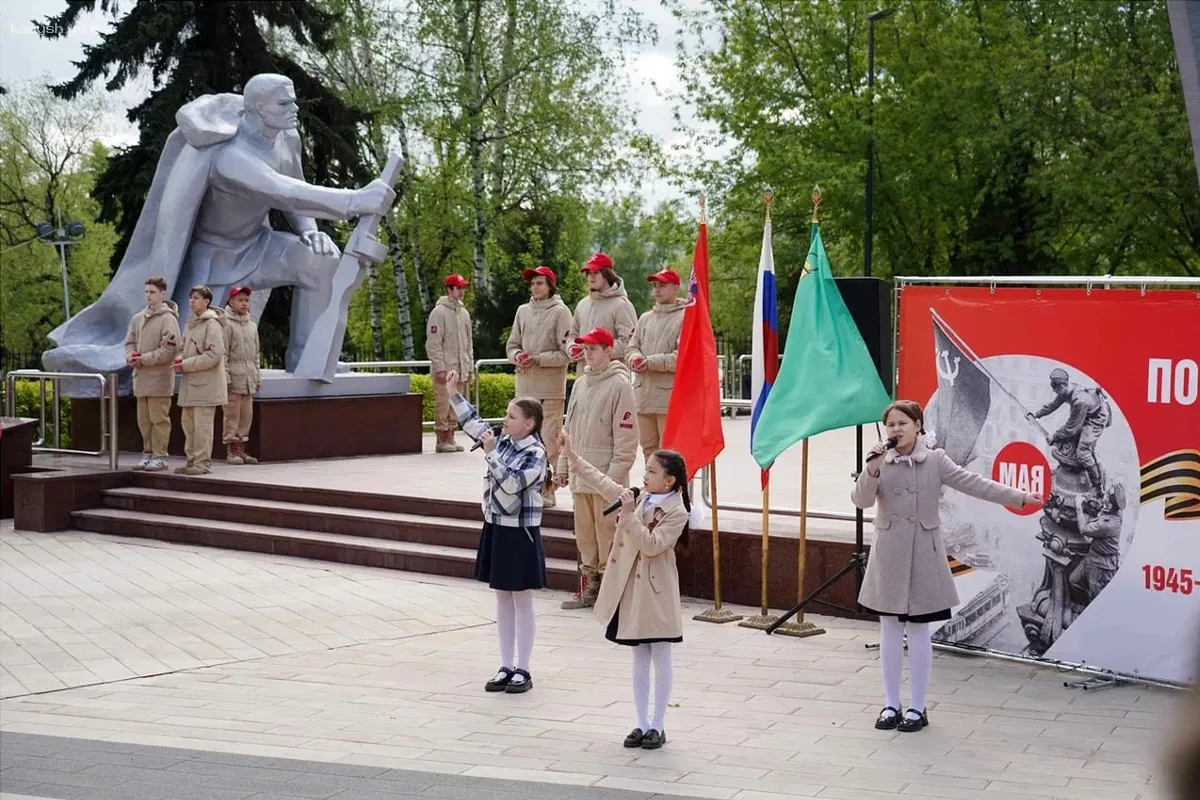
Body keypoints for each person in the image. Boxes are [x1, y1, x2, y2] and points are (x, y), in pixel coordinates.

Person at [853, 399, 1042, 733]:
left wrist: (1018, 497)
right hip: (889, 554)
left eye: (903, 423)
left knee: (919, 629)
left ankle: (917, 707)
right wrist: (872, 469)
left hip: (925, 552)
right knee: (890, 629)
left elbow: (975, 483)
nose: (896, 430)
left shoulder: (935, 460)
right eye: (891, 425)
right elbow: (861, 500)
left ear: (918, 426)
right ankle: (890, 704)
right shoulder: (880, 461)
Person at [560, 429, 701, 750]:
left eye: (652, 471)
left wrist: (627, 517)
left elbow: (653, 545)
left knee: (660, 653)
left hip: (657, 591)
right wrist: (573, 457)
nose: (645, 475)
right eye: (646, 469)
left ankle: (658, 725)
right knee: (639, 654)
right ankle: (640, 723)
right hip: (632, 589)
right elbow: (604, 484)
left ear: (670, 481)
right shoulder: (641, 497)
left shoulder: (678, 511)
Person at [442, 370, 549, 695]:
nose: (505, 420)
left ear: (529, 423)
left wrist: (491, 455)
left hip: (521, 532)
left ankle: (524, 668)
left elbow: (514, 483)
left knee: (522, 599)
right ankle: (505, 664)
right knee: (502, 596)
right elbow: (473, 423)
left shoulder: (536, 453)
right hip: (496, 527)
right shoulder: (502, 440)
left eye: (512, 416)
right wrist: (453, 394)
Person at [555, 327, 638, 610]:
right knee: (586, 534)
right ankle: (590, 585)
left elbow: (627, 440)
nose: (587, 353)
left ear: (608, 351)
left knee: (607, 534)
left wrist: (612, 482)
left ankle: (611, 591)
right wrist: (563, 465)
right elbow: (569, 428)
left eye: (593, 348)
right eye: (585, 348)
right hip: (581, 475)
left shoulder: (620, 385)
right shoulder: (580, 382)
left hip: (605, 475)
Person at [506, 266, 573, 506]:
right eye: (533, 283)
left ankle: (548, 490)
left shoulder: (561, 312)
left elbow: (566, 354)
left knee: (549, 441)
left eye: (540, 283)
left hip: (549, 389)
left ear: (551, 286)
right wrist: (517, 356)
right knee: (521, 439)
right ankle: (524, 488)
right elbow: (512, 343)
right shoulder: (522, 311)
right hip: (524, 386)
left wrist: (538, 358)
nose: (535, 287)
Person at [626, 268, 685, 460]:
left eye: (663, 285)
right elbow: (631, 347)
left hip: (668, 399)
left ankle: (670, 490)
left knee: (668, 453)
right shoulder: (645, 318)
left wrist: (650, 362)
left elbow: (682, 357)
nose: (657, 290)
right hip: (643, 396)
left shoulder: (685, 317)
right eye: (654, 286)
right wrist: (634, 358)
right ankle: (653, 488)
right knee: (648, 451)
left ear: (676, 288)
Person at [124, 277, 180, 472]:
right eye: (146, 292)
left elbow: (169, 350)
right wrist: (130, 356)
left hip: (159, 378)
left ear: (163, 294)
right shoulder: (138, 318)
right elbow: (129, 342)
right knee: (144, 420)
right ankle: (147, 453)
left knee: (159, 419)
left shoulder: (168, 318)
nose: (148, 296)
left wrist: (144, 359)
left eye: (153, 292)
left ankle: (160, 455)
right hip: (141, 378)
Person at [173, 285, 228, 476]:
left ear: (206, 302)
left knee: (203, 427)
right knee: (189, 425)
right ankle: (192, 461)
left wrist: (186, 364)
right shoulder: (192, 323)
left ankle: (202, 463)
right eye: (190, 297)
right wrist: (180, 358)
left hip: (206, 386)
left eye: (196, 298)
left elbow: (214, 355)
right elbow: (184, 349)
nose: (191, 301)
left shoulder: (211, 324)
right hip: (190, 385)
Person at [1027, 368, 1112, 492]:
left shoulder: (1079, 401)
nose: (1055, 392)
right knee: (1073, 443)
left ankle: (1096, 485)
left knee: (1083, 452)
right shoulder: (1066, 391)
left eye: (1056, 390)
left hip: (1096, 419)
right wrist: (1036, 415)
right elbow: (1053, 405)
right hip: (1087, 413)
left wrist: (1054, 437)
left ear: (1062, 386)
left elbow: (1071, 429)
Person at [426, 274, 475, 453]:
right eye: (458, 288)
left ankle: (452, 436)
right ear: (449, 289)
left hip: (460, 368)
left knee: (456, 403)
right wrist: (439, 367)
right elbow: (433, 343)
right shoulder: (438, 313)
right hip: (446, 368)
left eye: (463, 288)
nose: (461, 291)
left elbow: (469, 343)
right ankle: (441, 438)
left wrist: (469, 367)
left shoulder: (464, 313)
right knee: (443, 403)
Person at [567, 253, 638, 362]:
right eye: (589, 273)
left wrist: (596, 352)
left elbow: (628, 342)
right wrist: (572, 347)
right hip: (584, 373)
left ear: (607, 274)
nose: (591, 276)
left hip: (612, 373)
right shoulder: (582, 304)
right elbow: (572, 336)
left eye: (596, 272)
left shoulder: (622, 305)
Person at [222, 286, 261, 465]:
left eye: (246, 300)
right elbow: (223, 354)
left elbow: (256, 355)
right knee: (232, 415)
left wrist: (257, 376)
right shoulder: (226, 324)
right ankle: (232, 449)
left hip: (248, 378)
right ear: (231, 302)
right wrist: (227, 377)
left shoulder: (252, 325)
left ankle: (243, 448)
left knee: (246, 415)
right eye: (240, 300)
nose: (244, 303)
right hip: (234, 378)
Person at [1071, 485, 1124, 604]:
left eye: (1106, 496)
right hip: (1092, 557)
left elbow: (1084, 529)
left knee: (1096, 597)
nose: (1104, 494)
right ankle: (1084, 605)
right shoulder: (1115, 511)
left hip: (1101, 566)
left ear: (1110, 506)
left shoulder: (1107, 525)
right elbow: (1103, 510)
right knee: (1074, 580)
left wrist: (1078, 505)